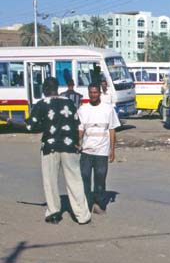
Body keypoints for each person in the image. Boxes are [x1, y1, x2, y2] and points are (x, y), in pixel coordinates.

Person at [0, 77, 91, 225]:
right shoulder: (69, 103)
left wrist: (8, 120)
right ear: (57, 88)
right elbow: (76, 124)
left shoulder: (41, 104)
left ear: (44, 89)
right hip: (70, 147)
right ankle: (82, 215)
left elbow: (30, 126)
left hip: (50, 147)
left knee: (51, 181)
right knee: (75, 180)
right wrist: (77, 143)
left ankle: (54, 213)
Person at [78, 83, 121, 214]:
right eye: (91, 93)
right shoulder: (83, 109)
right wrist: (77, 142)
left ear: (99, 93)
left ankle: (98, 203)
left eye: (95, 92)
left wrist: (112, 151)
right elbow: (80, 130)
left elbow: (112, 131)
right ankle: (86, 203)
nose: (93, 95)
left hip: (102, 151)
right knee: (85, 177)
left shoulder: (108, 109)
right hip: (86, 150)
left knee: (100, 178)